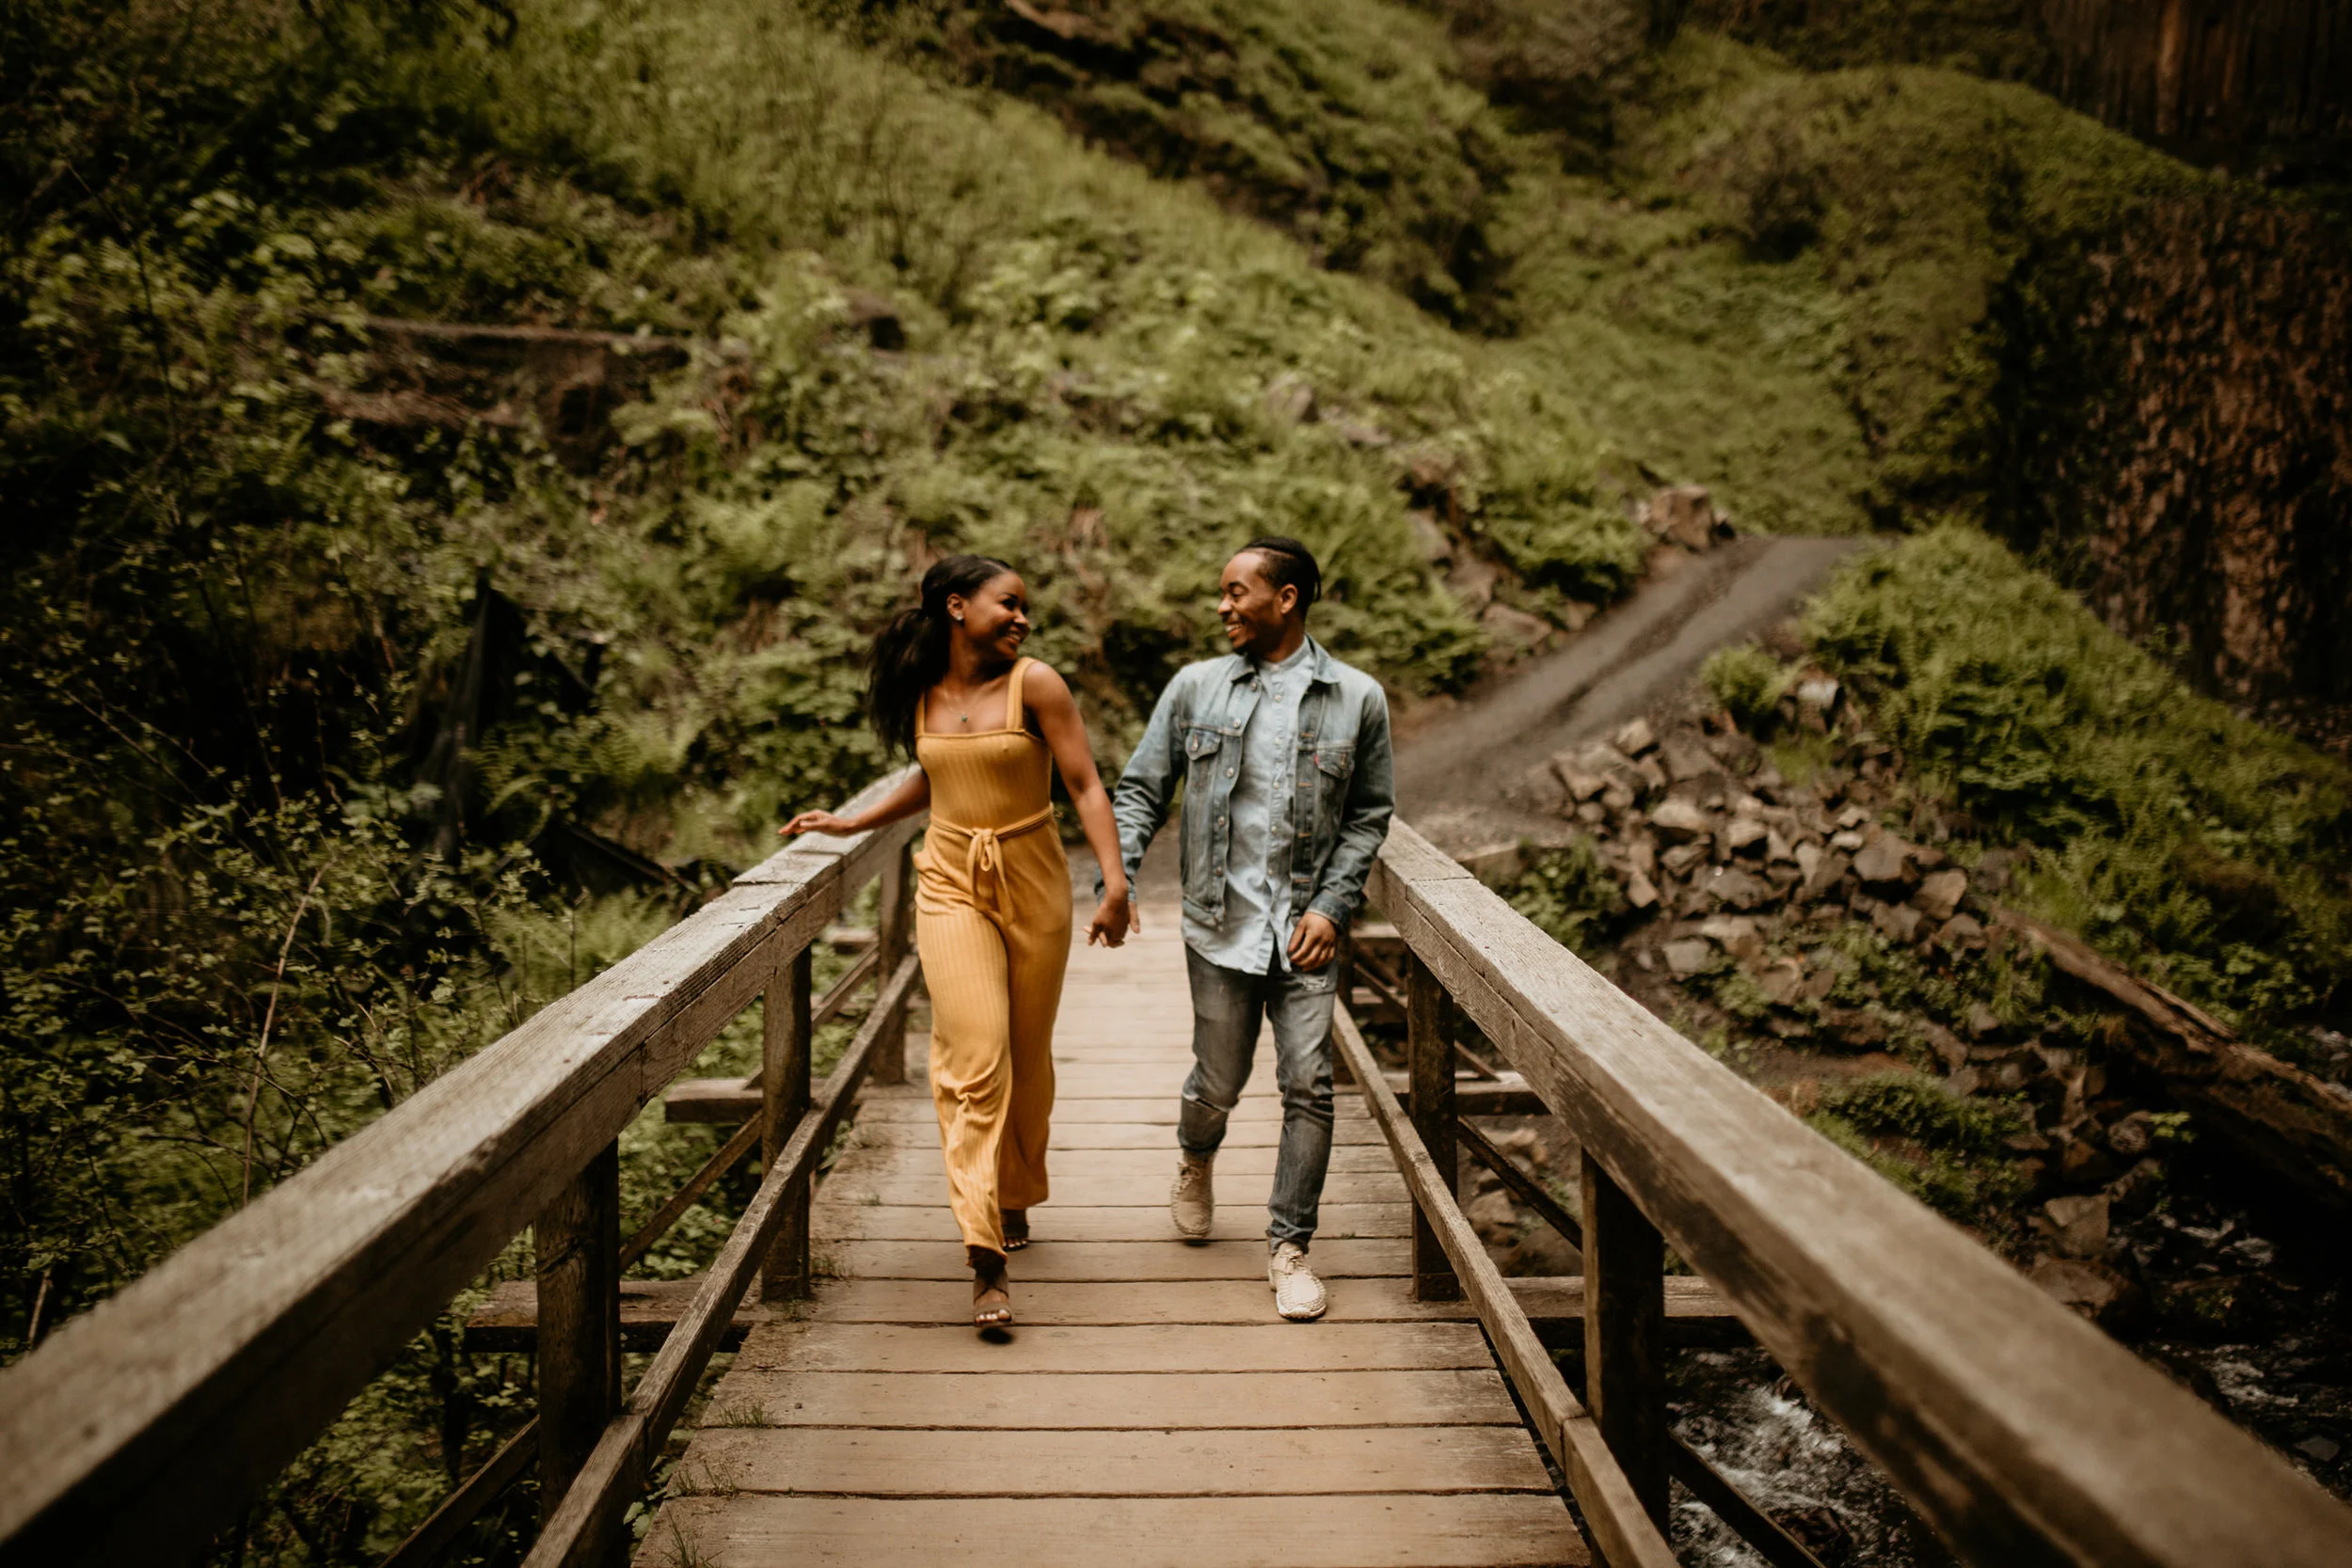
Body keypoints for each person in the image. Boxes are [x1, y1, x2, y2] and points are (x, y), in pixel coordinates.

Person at [781, 556, 1132, 1330]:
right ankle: (985, 1256)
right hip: (948, 881)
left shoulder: (1036, 685)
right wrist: (852, 821)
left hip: (1034, 877)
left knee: (1027, 1057)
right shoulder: (920, 688)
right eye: (1008, 603)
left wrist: (1115, 884)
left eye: (1025, 607)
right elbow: (934, 776)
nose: (1022, 618)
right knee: (974, 1057)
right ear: (955, 606)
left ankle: (1015, 1191)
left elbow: (1083, 784)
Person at [1106, 537, 1393, 1321]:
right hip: (1219, 924)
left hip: (1305, 928)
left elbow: (1369, 815)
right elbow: (1141, 790)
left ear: (1286, 597)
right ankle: (1196, 1157)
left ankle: (1290, 1247)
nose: (1223, 605)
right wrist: (1118, 878)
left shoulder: (1358, 698)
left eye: (1236, 591)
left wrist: (1331, 905)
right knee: (1218, 1081)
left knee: (1309, 1084)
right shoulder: (1196, 687)